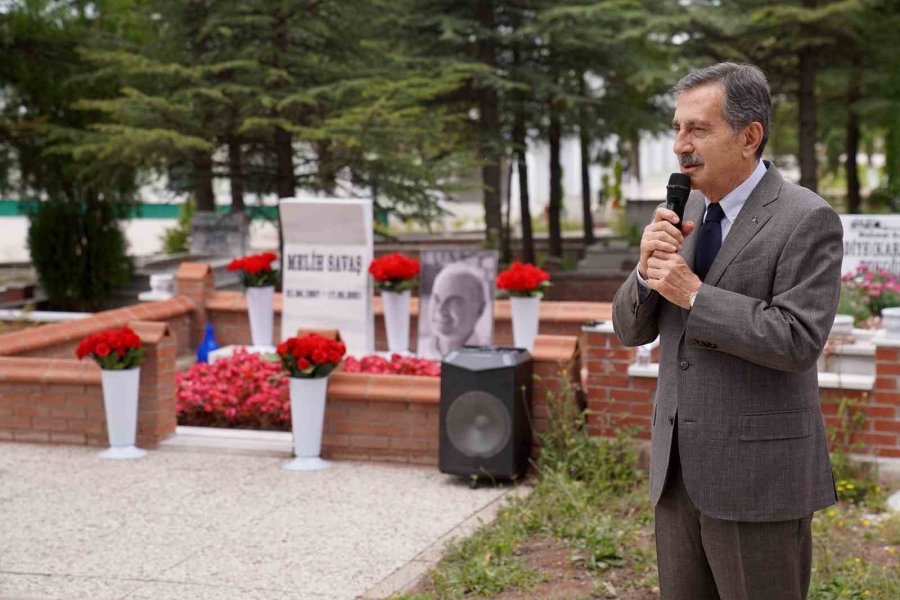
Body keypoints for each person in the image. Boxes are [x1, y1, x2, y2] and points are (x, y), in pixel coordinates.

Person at [612, 62, 842, 600]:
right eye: (677, 128)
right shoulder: (681, 210)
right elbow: (628, 330)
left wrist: (695, 295)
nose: (681, 145)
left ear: (749, 136)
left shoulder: (806, 218)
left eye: (698, 129)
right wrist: (645, 272)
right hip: (676, 477)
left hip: (758, 480)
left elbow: (797, 340)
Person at [419, 262, 489, 359]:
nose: (440, 309)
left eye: (454, 301)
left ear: (480, 309)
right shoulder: (416, 353)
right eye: (436, 299)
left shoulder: (490, 357)